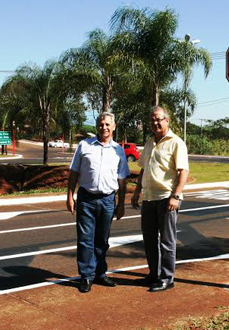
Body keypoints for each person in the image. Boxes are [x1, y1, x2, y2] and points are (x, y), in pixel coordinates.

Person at [67, 112, 129, 293]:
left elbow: (122, 179)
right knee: (86, 240)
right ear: (97, 126)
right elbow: (74, 172)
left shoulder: (118, 150)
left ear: (114, 127)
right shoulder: (84, 145)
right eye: (101, 124)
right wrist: (70, 196)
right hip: (86, 198)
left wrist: (121, 204)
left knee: (102, 240)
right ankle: (86, 276)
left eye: (108, 124)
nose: (104, 127)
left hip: (108, 200)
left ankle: (100, 273)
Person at [131, 106, 189, 292]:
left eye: (158, 119)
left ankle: (166, 278)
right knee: (149, 239)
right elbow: (143, 169)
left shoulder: (176, 142)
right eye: (152, 120)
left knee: (166, 240)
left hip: (166, 198)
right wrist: (137, 191)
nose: (155, 123)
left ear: (167, 120)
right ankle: (153, 274)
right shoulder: (149, 142)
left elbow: (183, 171)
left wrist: (176, 195)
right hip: (149, 198)